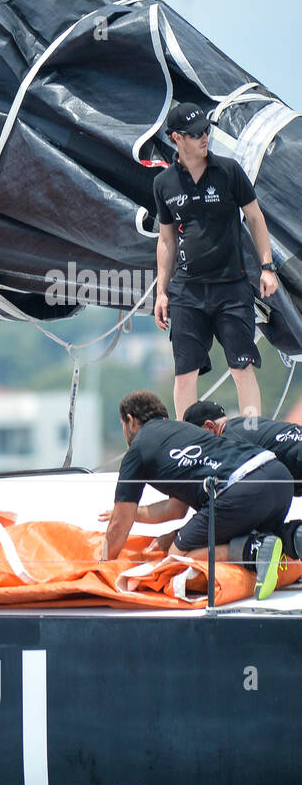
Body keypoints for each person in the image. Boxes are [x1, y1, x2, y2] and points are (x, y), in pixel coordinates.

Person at [152, 102, 280, 421]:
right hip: (187, 292)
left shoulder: (229, 171)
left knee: (241, 366)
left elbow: (254, 217)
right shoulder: (164, 184)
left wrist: (267, 267)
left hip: (231, 289)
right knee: (185, 373)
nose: (204, 138)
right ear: (176, 138)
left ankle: (253, 436)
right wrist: (161, 292)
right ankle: (187, 446)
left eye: (206, 131)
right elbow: (166, 240)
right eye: (196, 134)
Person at [99, 389, 287, 600]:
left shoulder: (138, 448)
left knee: (177, 558)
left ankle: (254, 550)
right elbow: (176, 510)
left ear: (130, 421)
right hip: (278, 475)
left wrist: (102, 564)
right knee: (262, 534)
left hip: (242, 488)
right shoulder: (183, 430)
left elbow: (120, 524)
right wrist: (132, 514)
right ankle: (292, 536)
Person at [183, 398, 302, 557]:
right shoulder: (246, 425)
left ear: (210, 427)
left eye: (200, 440)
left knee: (260, 531)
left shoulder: (228, 440)